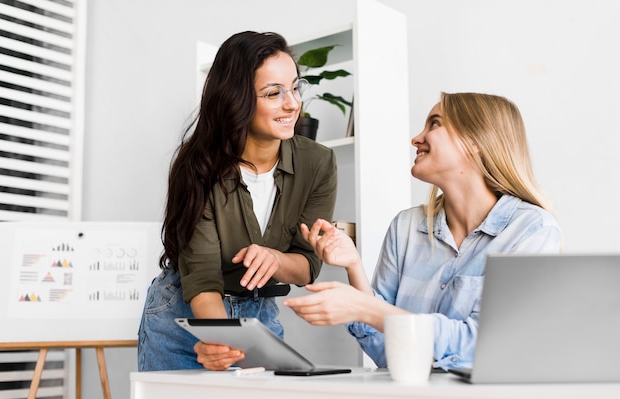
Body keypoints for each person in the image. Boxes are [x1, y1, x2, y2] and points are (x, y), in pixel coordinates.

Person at [283, 92, 562, 370]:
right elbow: (386, 354)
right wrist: (354, 266)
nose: (416, 138)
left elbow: (488, 347)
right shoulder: (405, 228)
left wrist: (364, 308)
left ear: (476, 140)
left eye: (435, 124)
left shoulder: (531, 230)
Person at [137, 31, 337, 371]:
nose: (292, 104)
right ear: (237, 99)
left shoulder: (317, 163)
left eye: (294, 87)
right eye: (274, 93)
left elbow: (307, 267)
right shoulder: (197, 167)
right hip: (186, 315)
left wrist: (275, 259)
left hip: (258, 317)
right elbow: (201, 277)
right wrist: (219, 338)